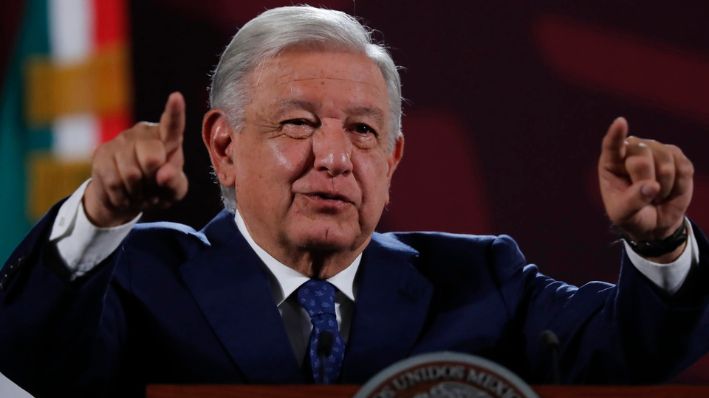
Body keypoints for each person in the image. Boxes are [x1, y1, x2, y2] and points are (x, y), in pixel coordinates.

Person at [1, 5, 708, 398]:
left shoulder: (478, 279)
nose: (335, 157)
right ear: (221, 148)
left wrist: (658, 245)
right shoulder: (140, 275)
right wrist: (96, 216)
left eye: (364, 131)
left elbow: (634, 351)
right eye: (299, 124)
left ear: (392, 159)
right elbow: (28, 356)